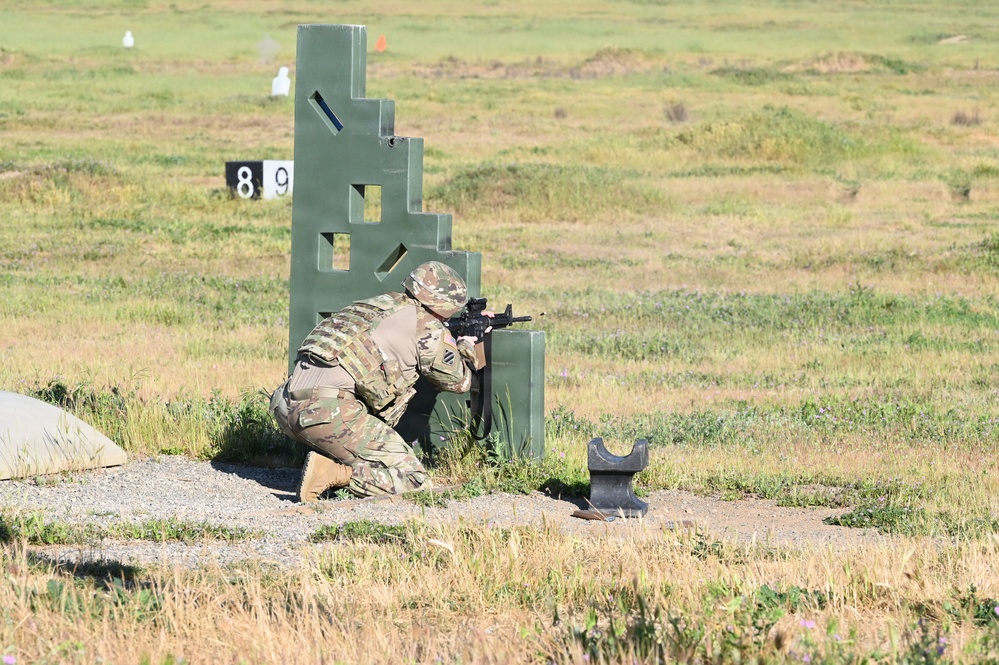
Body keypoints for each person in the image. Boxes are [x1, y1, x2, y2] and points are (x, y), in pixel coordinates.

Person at [269, 261, 483, 502]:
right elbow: (459, 381)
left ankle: (332, 461)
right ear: (444, 305)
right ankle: (333, 473)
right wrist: (466, 343)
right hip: (324, 414)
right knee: (413, 479)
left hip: (285, 404)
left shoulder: (375, 304)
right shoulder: (427, 327)